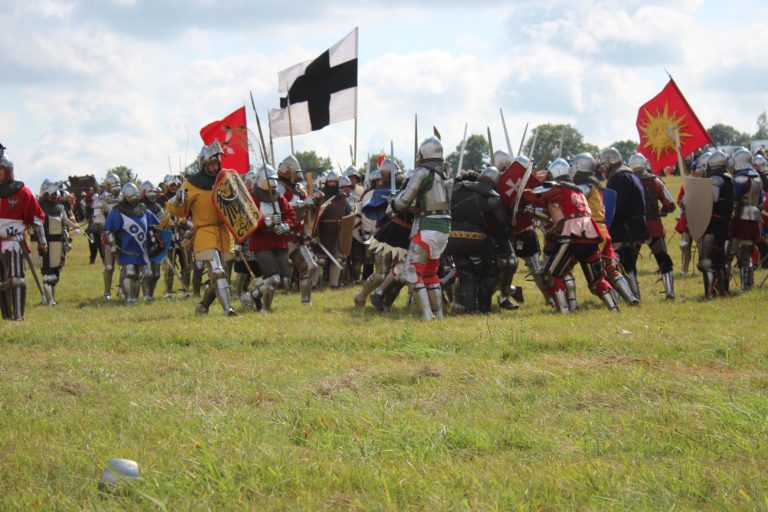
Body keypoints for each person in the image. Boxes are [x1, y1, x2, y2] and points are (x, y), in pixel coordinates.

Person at [521, 158, 618, 313]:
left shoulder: (556, 188)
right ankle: (614, 309)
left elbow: (533, 197)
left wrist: (522, 191)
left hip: (572, 236)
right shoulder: (578, 190)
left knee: (554, 273)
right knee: (597, 280)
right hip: (591, 236)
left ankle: (564, 311)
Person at [167, 141, 237, 316]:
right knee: (217, 272)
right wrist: (178, 200)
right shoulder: (191, 184)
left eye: (217, 164)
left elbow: (237, 206)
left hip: (224, 232)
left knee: (221, 276)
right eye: (211, 164)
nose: (215, 168)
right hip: (205, 232)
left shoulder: (226, 180)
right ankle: (228, 309)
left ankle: (203, 306)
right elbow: (179, 210)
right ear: (204, 164)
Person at [391, 137, 453, 321]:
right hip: (444, 228)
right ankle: (439, 315)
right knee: (431, 273)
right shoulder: (447, 173)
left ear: (423, 153)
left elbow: (402, 203)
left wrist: (393, 202)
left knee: (412, 271)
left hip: (427, 227)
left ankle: (426, 315)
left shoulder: (422, 172)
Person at [447, 166, 511, 313]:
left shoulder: (457, 189)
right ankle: (484, 308)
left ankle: (470, 310)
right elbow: (505, 226)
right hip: (477, 241)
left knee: (465, 272)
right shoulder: (491, 197)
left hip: (453, 238)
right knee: (486, 273)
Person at [241, 165, 297, 312]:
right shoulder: (253, 198)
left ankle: (252, 295)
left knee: (285, 281)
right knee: (273, 278)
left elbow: (290, 215)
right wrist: (265, 222)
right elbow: (248, 221)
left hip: (279, 241)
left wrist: (286, 226)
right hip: (262, 242)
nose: (271, 182)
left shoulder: (279, 197)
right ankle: (265, 309)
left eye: (273, 179)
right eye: (269, 179)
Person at [0, 154, 47, 320]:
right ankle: (7, 316)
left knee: (15, 279)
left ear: (8, 171)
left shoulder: (22, 192)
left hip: (14, 243)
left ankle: (18, 316)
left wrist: (42, 242)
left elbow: (36, 217)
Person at [601, 147, 647, 302]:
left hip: (624, 227)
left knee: (621, 262)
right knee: (629, 262)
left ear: (609, 162)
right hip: (638, 225)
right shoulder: (631, 175)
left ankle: (631, 296)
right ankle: (634, 295)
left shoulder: (616, 179)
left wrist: (608, 225)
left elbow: (615, 208)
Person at [628, 153, 677, 299]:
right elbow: (670, 204)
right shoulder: (655, 181)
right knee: (664, 261)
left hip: (634, 228)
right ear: (645, 164)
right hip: (653, 225)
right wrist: (661, 212)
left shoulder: (627, 181)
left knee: (629, 263)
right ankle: (670, 293)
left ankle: (635, 296)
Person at [104, 183, 161, 305]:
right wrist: (113, 245)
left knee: (147, 274)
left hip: (143, 248)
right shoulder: (118, 211)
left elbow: (153, 225)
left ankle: (145, 298)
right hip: (127, 248)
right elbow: (109, 230)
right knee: (130, 273)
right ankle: (130, 299)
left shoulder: (142, 208)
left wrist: (155, 239)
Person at [696, 150, 733, 298]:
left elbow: (711, 199)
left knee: (706, 261)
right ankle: (723, 290)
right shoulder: (728, 178)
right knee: (719, 260)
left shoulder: (716, 180)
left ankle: (710, 293)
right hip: (722, 224)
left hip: (713, 225)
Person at [726, 148, 763, 291]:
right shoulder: (757, 177)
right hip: (754, 217)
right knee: (747, 252)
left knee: (729, 253)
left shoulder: (740, 179)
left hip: (740, 218)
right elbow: (760, 200)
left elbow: (733, 199)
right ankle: (746, 285)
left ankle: (724, 283)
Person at [95, 173, 122, 299]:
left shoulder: (123, 197)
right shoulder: (101, 199)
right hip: (108, 233)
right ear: (108, 185)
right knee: (109, 266)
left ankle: (122, 289)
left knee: (125, 263)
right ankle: (107, 292)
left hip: (123, 233)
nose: (115, 186)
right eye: (113, 184)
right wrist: (107, 228)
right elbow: (98, 218)